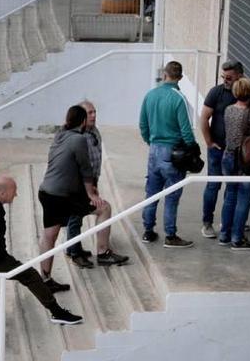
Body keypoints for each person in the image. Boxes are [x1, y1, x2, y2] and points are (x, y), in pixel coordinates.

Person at [0, 176, 83, 356]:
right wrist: (3, 262)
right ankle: (57, 312)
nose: (16, 194)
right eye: (13, 191)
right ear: (2, 192)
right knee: (31, 276)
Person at [64, 101, 130, 268]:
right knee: (80, 216)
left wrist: (94, 185)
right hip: (77, 185)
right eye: (89, 113)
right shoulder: (76, 137)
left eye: (94, 112)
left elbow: (95, 160)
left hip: (89, 183)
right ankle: (84, 252)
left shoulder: (94, 131)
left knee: (77, 216)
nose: (93, 115)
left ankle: (74, 248)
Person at [199, 60, 250, 238]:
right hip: (218, 149)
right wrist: (209, 142)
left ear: (239, 75)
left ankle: (230, 222)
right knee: (213, 185)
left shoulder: (249, 94)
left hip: (239, 154)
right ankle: (207, 223)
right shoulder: (216, 92)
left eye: (229, 77)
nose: (225, 80)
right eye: (223, 77)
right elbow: (204, 118)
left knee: (233, 189)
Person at [139, 61, 196, 248]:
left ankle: (148, 231)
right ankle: (170, 235)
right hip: (172, 152)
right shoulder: (179, 98)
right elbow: (186, 131)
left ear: (164, 75)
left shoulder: (150, 95)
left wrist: (150, 141)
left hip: (154, 150)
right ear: (180, 77)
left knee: (151, 192)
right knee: (172, 195)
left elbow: (143, 125)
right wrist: (193, 149)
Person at [36, 107, 91, 291]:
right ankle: (45, 279)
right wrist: (92, 194)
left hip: (47, 191)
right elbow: (86, 169)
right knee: (102, 208)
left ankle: (45, 278)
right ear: (83, 121)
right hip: (57, 196)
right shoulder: (79, 139)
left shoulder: (61, 134)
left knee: (48, 236)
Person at [219, 77, 250, 250]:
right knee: (244, 199)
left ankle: (224, 234)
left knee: (230, 196)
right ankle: (238, 238)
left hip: (228, 157)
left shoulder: (228, 110)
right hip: (245, 160)